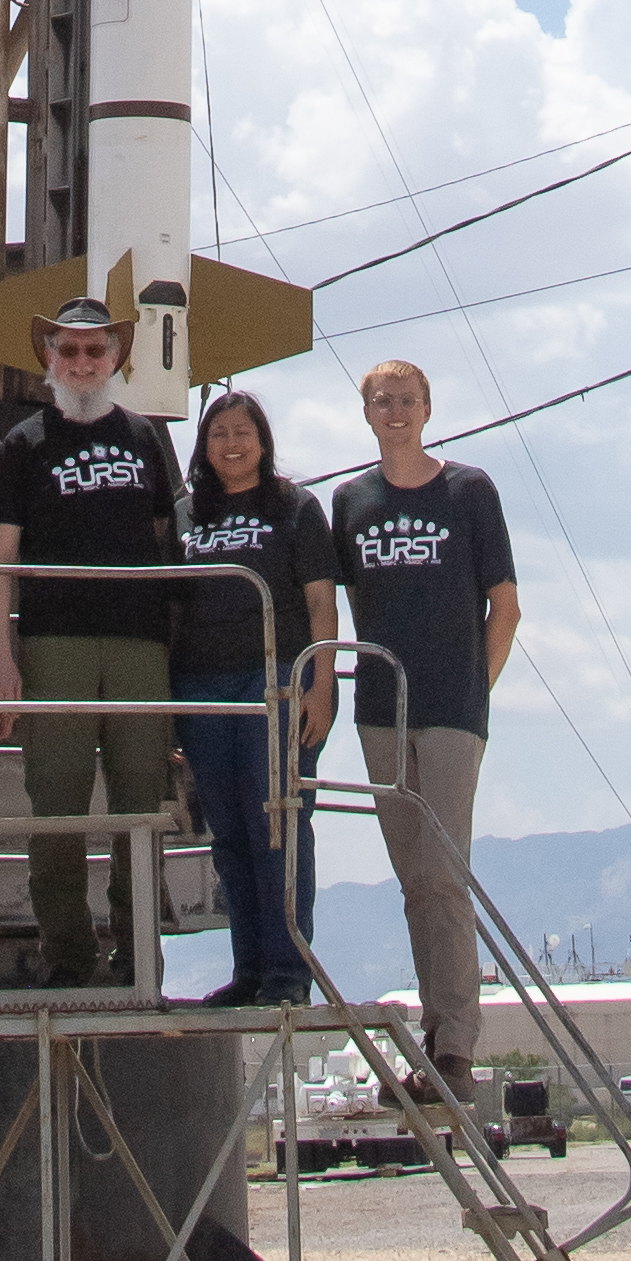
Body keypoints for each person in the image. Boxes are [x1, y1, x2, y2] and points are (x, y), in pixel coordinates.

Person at [0, 297, 185, 986]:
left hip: (138, 643)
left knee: (139, 802)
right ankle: (67, 955)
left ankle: (137, 956)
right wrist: (0, 656)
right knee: (57, 803)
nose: (82, 362)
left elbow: (166, 540)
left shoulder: (146, 435)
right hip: (54, 640)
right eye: (68, 350)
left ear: (117, 356)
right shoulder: (25, 443)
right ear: (49, 356)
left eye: (95, 350)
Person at [328, 357, 518, 1097]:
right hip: (381, 708)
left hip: (450, 710)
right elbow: (329, 597)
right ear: (367, 413)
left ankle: (459, 1047)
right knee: (414, 879)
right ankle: (436, 1040)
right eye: (383, 400)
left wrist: (476, 690)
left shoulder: (468, 491)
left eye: (407, 399)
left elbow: (504, 604)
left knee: (445, 871)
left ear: (428, 408)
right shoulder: (352, 501)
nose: (395, 410)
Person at [173, 391, 338, 1003]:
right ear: (204, 446)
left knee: (280, 828)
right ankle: (249, 973)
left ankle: (289, 972)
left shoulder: (296, 508)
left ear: (263, 441)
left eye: (244, 432)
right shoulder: (186, 514)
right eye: (219, 434)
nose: (233, 444)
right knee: (229, 835)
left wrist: (322, 685)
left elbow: (322, 601)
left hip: (276, 686)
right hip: (201, 688)